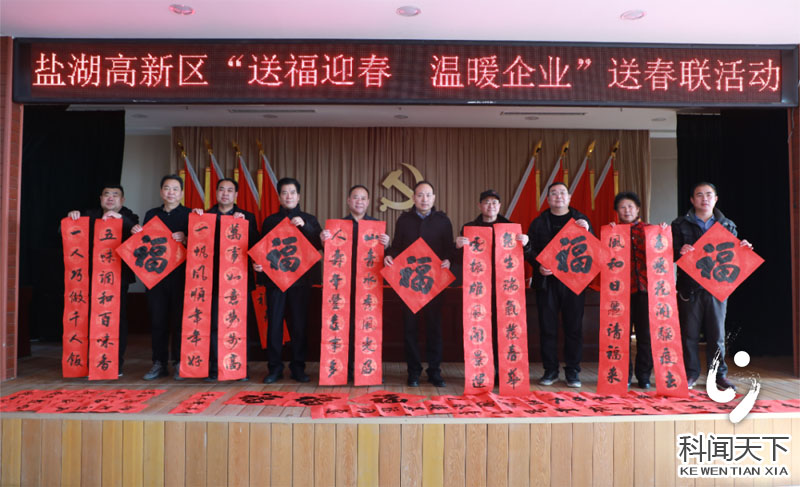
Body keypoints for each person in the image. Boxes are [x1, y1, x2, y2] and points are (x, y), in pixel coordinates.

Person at [672, 182, 752, 391]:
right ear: (692, 200)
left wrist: (744, 249)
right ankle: (690, 374)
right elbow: (668, 254)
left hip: (717, 288)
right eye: (699, 195)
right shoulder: (679, 224)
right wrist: (680, 251)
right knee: (689, 334)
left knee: (717, 336)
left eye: (708, 194)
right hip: (689, 288)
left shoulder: (727, 225)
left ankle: (718, 376)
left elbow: (733, 258)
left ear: (716, 199)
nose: (704, 198)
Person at [384, 181, 455, 387]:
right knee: (410, 329)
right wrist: (389, 255)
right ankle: (413, 372)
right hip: (409, 284)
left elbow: (449, 249)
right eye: (420, 195)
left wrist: (449, 260)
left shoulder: (443, 221)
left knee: (435, 328)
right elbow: (397, 246)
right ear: (413, 198)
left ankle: (435, 371)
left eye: (428, 195)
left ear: (434, 198)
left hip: (434, 283)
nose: (424, 199)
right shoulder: (404, 220)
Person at [455, 189, 530, 380]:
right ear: (479, 205)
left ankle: (504, 371)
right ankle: (482, 370)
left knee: (503, 330)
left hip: (505, 289)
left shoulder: (510, 228)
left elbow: (525, 255)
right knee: (480, 329)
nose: (491, 206)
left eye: (494, 202)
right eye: (487, 202)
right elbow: (460, 259)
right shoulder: (469, 228)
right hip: (478, 290)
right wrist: (457, 246)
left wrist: (526, 243)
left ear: (500, 206)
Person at [65, 184, 139, 376]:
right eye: (107, 195)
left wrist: (120, 219)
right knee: (92, 319)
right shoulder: (89, 215)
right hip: (92, 278)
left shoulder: (130, 217)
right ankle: (92, 362)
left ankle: (115, 363)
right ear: (100, 199)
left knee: (117, 320)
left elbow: (139, 235)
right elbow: (65, 231)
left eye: (115, 195)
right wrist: (72, 217)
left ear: (122, 200)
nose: (111, 198)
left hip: (118, 279)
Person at [254, 177, 322, 384]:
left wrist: (305, 227)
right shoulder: (270, 221)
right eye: (284, 193)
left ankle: (298, 367)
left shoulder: (309, 219)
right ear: (279, 197)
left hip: (300, 282)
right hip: (275, 282)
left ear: (299, 196)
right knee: (274, 325)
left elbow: (319, 245)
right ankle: (274, 368)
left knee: (299, 325)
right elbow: (262, 251)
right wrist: (259, 268)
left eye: (292, 192)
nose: (288, 196)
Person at [527, 181, 593, 388]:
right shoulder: (538, 222)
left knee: (574, 328)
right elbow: (528, 249)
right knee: (548, 328)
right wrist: (538, 265)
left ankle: (573, 372)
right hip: (547, 283)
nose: (558, 196)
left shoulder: (580, 220)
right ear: (548, 199)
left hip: (574, 283)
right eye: (554, 193)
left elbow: (593, 248)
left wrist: (588, 231)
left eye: (562, 193)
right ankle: (550, 370)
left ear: (569, 197)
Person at [320, 185, 389, 382]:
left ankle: (365, 370)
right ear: (348, 201)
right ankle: (344, 369)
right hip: (343, 284)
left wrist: (387, 244)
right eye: (356, 197)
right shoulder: (338, 226)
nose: (359, 201)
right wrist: (324, 242)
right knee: (344, 326)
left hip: (368, 285)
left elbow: (384, 256)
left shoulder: (376, 227)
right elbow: (330, 254)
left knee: (367, 326)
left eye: (363, 198)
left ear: (368, 202)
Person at [192, 178, 259, 381]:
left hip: (238, 281)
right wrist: (195, 221)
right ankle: (215, 367)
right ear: (216, 193)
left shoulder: (247, 216)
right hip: (211, 281)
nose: (225, 193)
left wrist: (244, 225)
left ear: (236, 195)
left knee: (238, 324)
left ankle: (239, 367)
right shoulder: (205, 216)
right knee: (213, 324)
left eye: (230, 190)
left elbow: (255, 245)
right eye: (221, 189)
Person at [133, 174, 191, 381]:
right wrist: (137, 232)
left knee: (180, 322)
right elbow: (144, 243)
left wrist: (186, 238)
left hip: (181, 278)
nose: (171, 192)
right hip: (156, 278)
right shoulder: (152, 214)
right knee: (158, 321)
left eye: (175, 189)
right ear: (161, 192)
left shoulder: (189, 215)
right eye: (167, 188)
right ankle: (159, 363)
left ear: (181, 193)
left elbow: (201, 245)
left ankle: (179, 362)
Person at [611, 191, 667, 389]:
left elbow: (665, 255)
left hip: (646, 290)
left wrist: (663, 233)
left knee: (646, 336)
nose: (627, 210)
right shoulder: (613, 232)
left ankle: (644, 376)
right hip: (620, 292)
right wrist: (610, 234)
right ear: (617, 211)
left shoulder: (651, 230)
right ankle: (623, 375)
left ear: (637, 209)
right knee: (621, 335)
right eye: (622, 207)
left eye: (630, 207)